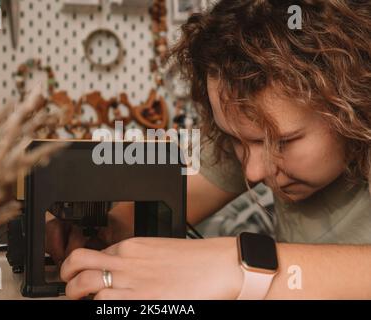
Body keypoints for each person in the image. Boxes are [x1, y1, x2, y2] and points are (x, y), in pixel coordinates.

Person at [47, 0, 371, 299]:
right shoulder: (251, 135)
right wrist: (94, 230)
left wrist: (240, 267)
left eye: (282, 142)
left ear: (356, 101)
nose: (254, 171)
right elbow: (151, 209)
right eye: (237, 141)